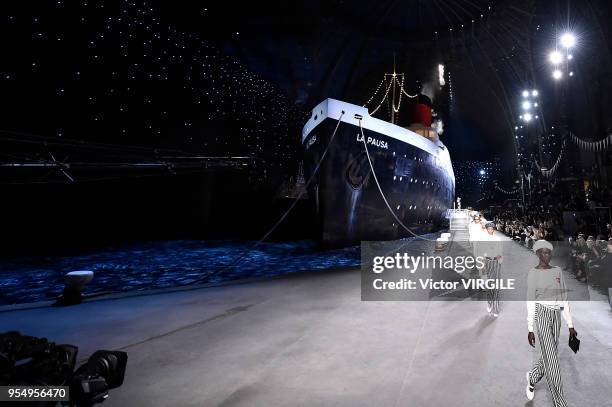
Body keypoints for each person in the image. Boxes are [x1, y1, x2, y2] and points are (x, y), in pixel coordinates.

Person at [525, 240, 578, 406]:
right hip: (541, 313)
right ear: (537, 254)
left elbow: (564, 299)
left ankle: (532, 377)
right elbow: (530, 301)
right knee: (553, 362)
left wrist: (570, 325)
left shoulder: (558, 271)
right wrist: (530, 327)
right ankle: (560, 403)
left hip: (556, 315)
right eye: (543, 252)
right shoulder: (533, 274)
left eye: (549, 252)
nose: (547, 255)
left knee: (550, 354)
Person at [482, 221, 503, 316]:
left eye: (492, 228)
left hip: (496, 262)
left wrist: (499, 258)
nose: (490, 230)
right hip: (488, 262)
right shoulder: (483, 239)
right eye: (488, 228)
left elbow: (500, 250)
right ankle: (489, 304)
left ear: (493, 229)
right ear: (486, 229)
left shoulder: (497, 238)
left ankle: (496, 308)